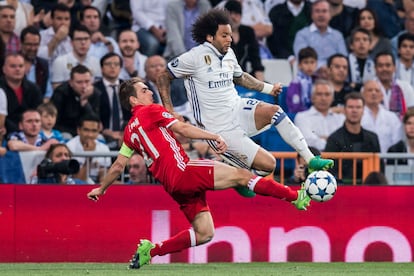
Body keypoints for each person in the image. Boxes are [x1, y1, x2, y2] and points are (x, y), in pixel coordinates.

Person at [86, 79, 314, 269]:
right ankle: (296, 197)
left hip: (172, 186)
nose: (150, 93)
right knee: (243, 175)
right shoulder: (151, 111)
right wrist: (212, 136)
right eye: (144, 90)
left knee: (204, 233)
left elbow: (118, 166)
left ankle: (152, 250)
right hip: (183, 171)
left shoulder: (129, 132)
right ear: (133, 100)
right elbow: (183, 129)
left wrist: (101, 188)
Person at [156, 9, 334, 198]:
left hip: (237, 107)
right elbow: (163, 76)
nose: (229, 39)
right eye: (224, 35)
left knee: (275, 111)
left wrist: (268, 88)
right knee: (269, 165)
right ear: (209, 37)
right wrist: (169, 111)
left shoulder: (229, 53)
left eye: (230, 35)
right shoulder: (193, 57)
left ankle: (310, 159)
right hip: (217, 128)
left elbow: (240, 78)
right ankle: (240, 176)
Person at [325, 92, 380, 184]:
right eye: (350, 107)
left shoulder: (373, 138)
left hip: (369, 189)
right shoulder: (334, 139)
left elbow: (378, 169)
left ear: (363, 111)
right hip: (342, 188)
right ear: (344, 110)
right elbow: (330, 170)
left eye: (358, 107)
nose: (354, 111)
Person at [293, 0, 348, 68]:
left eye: (324, 11)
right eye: (317, 11)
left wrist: (329, 69)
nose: (321, 15)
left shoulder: (338, 36)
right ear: (312, 15)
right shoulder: (302, 35)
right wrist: (320, 68)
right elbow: (302, 58)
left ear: (330, 15)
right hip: (310, 74)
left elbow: (343, 58)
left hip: (333, 75)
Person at [294, 79, 345, 151]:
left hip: (337, 161)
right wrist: (333, 142)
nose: (323, 98)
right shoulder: (302, 117)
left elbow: (345, 143)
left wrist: (323, 139)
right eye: (319, 94)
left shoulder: (341, 118)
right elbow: (308, 142)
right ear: (312, 97)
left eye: (327, 94)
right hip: (313, 161)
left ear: (332, 98)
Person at [51, 64, 101, 137]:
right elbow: (55, 122)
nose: (84, 86)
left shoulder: (95, 93)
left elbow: (95, 122)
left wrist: (85, 103)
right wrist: (77, 133)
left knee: (100, 138)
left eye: (87, 81)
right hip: (65, 131)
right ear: (71, 83)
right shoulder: (61, 93)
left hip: (87, 131)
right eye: (79, 82)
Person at [94, 52, 130, 150]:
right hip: (103, 134)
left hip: (126, 133)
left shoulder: (128, 88)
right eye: (108, 64)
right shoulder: (94, 89)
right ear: (101, 68)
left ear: (120, 68)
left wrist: (126, 132)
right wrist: (105, 131)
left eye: (116, 64)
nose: (112, 67)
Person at [1, 53, 43, 135]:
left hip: (31, 132)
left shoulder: (34, 89)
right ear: (4, 69)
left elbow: (38, 112)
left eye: (21, 66)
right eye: (13, 66)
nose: (17, 69)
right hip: (5, 132)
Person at [51, 24, 101, 89]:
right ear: (71, 43)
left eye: (86, 39)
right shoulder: (60, 62)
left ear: (90, 41)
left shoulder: (96, 62)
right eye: (78, 39)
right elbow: (56, 88)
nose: (83, 42)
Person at [224, 0, 264, 81]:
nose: (233, 17)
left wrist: (261, 84)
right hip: (223, 78)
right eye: (230, 14)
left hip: (243, 77)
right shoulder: (219, 34)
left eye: (236, 14)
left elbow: (255, 59)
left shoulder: (247, 32)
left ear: (241, 16)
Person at [66, 113, 111, 183]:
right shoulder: (69, 148)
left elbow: (104, 178)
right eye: (86, 130)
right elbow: (77, 181)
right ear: (78, 130)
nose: (90, 135)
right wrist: (89, 157)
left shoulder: (104, 149)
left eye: (94, 131)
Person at [361, 79, 402, 153]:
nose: (374, 93)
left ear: (382, 95)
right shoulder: (357, 115)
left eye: (377, 90)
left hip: (388, 161)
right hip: (363, 161)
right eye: (370, 90)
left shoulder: (392, 117)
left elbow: (397, 142)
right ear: (362, 94)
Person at [374, 51, 414, 119]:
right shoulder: (368, 89)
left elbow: (411, 114)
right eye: (380, 66)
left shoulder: (405, 87)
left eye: (388, 65)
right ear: (375, 68)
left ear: (394, 68)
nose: (384, 69)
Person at [20, 25, 53, 101]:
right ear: (21, 44)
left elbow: (48, 93)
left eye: (36, 45)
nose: (33, 48)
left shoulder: (43, 65)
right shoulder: (12, 63)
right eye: (29, 44)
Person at [286, 46, 318, 113]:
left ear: (316, 64)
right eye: (306, 62)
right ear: (299, 65)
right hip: (299, 114)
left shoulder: (317, 80)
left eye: (312, 62)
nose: (309, 66)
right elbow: (294, 106)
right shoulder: (295, 83)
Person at [347, 27, 376, 92]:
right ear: (351, 45)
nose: (361, 43)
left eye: (365, 40)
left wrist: (356, 85)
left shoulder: (375, 62)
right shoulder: (345, 62)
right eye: (357, 40)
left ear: (370, 45)